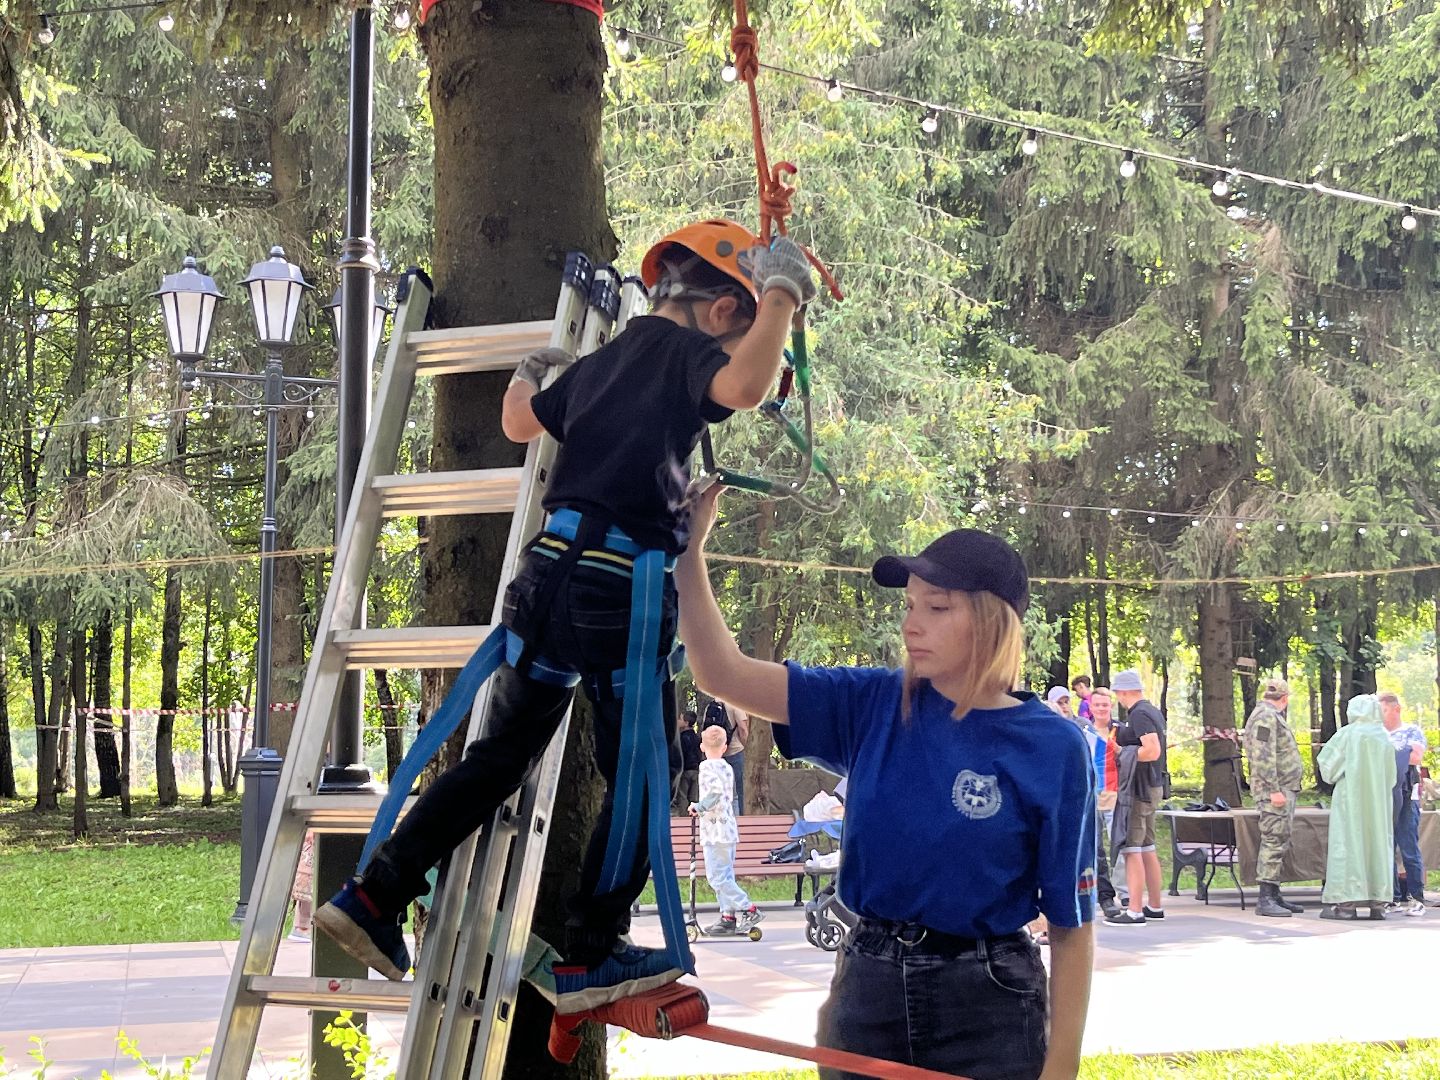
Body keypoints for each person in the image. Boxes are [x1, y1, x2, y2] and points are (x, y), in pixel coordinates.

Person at [314, 220, 819, 1011]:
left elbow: (522, 422)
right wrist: (785, 288)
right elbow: (748, 387)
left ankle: (375, 895)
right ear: (723, 312)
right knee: (645, 773)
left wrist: (528, 374)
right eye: (748, 323)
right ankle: (594, 948)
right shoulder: (687, 356)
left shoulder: (601, 366)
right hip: (618, 590)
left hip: (543, 580)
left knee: (496, 758)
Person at [676, 495, 1095, 1080]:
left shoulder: (1054, 747)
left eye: (937, 607)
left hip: (990, 996)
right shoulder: (870, 702)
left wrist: (1063, 1068)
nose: (910, 623)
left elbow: (1073, 925)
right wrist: (688, 553)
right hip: (866, 983)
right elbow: (721, 672)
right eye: (910, 605)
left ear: (993, 619)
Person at [1317, 694, 1397, 921]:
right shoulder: (1384, 737)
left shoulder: (1347, 735)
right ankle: (1378, 903)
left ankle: (1346, 904)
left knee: (1348, 845)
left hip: (1350, 800)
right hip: (1378, 803)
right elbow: (1391, 778)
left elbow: (1328, 768)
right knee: (1377, 845)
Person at [688, 725, 764, 934]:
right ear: (725, 747)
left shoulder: (706, 768)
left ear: (702, 746)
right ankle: (727, 916)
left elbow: (714, 794)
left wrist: (698, 806)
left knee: (716, 877)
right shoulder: (726, 767)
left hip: (716, 831)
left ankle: (748, 908)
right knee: (726, 875)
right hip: (728, 830)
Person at [1106, 669, 1167, 925]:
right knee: (1147, 847)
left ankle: (1134, 910)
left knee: (1132, 848)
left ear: (1124, 691)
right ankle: (1154, 905)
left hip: (1140, 789)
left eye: (1118, 693)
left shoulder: (1139, 713)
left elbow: (1152, 750)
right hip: (1153, 785)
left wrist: (1122, 752)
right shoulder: (1151, 710)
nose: (1118, 698)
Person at [1242, 678, 1305, 917]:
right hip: (1275, 790)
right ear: (1285, 699)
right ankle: (1265, 897)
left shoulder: (1267, 715)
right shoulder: (1266, 717)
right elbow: (1262, 755)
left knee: (1279, 838)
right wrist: (1272, 789)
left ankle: (1274, 892)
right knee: (1273, 838)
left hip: (1282, 787)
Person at [1380, 691, 1429, 914]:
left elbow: (1415, 757)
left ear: (1396, 709)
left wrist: (1386, 754)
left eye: (1384, 710)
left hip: (1408, 796)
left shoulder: (1412, 731)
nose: (1381, 716)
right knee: (1387, 847)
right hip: (1383, 796)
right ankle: (1392, 897)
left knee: (1408, 847)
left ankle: (1416, 897)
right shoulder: (1377, 734)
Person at [1088, 687, 1126, 906]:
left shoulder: (1120, 730)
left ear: (1111, 706)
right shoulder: (1083, 731)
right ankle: (1103, 895)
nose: (1101, 709)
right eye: (1097, 705)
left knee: (1119, 844)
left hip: (1114, 792)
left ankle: (1125, 892)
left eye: (1105, 705)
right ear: (1091, 707)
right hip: (1090, 795)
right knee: (1095, 848)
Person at [723, 701, 750, 817]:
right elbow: (743, 729)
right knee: (740, 790)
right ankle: (742, 819)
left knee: (722, 790)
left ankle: (724, 817)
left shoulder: (712, 705)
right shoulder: (735, 704)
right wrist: (747, 748)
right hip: (736, 751)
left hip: (718, 754)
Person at [674, 709, 702, 814]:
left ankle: (684, 818)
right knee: (693, 796)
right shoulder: (696, 738)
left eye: (680, 719)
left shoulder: (681, 738)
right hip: (695, 769)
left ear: (685, 723)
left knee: (682, 796)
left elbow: (680, 755)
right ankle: (693, 819)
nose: (677, 721)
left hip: (684, 770)